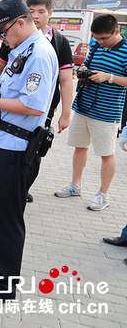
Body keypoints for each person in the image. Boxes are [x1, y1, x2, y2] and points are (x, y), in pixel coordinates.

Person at [0, 0, 58, 305]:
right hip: (2, 142)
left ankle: (5, 284)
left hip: (16, 148)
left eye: (3, 32)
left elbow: (32, 106)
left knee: (8, 217)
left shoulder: (39, 54)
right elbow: (14, 93)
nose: (2, 39)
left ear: (21, 23)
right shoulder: (24, 49)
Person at [0, 0, 75, 203]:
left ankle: (21, 189)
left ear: (50, 13)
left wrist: (65, 113)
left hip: (37, 111)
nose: (37, 16)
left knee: (32, 154)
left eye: (41, 11)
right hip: (13, 110)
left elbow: (66, 80)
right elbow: (2, 70)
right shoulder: (14, 40)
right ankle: (17, 191)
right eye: (32, 11)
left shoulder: (54, 43)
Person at [53, 14, 127, 211]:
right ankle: (75, 186)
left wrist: (109, 77)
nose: (100, 42)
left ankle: (103, 194)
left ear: (116, 32)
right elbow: (86, 65)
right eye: (97, 38)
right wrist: (83, 69)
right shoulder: (95, 46)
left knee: (106, 153)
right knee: (79, 147)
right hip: (83, 105)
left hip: (107, 112)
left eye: (104, 38)